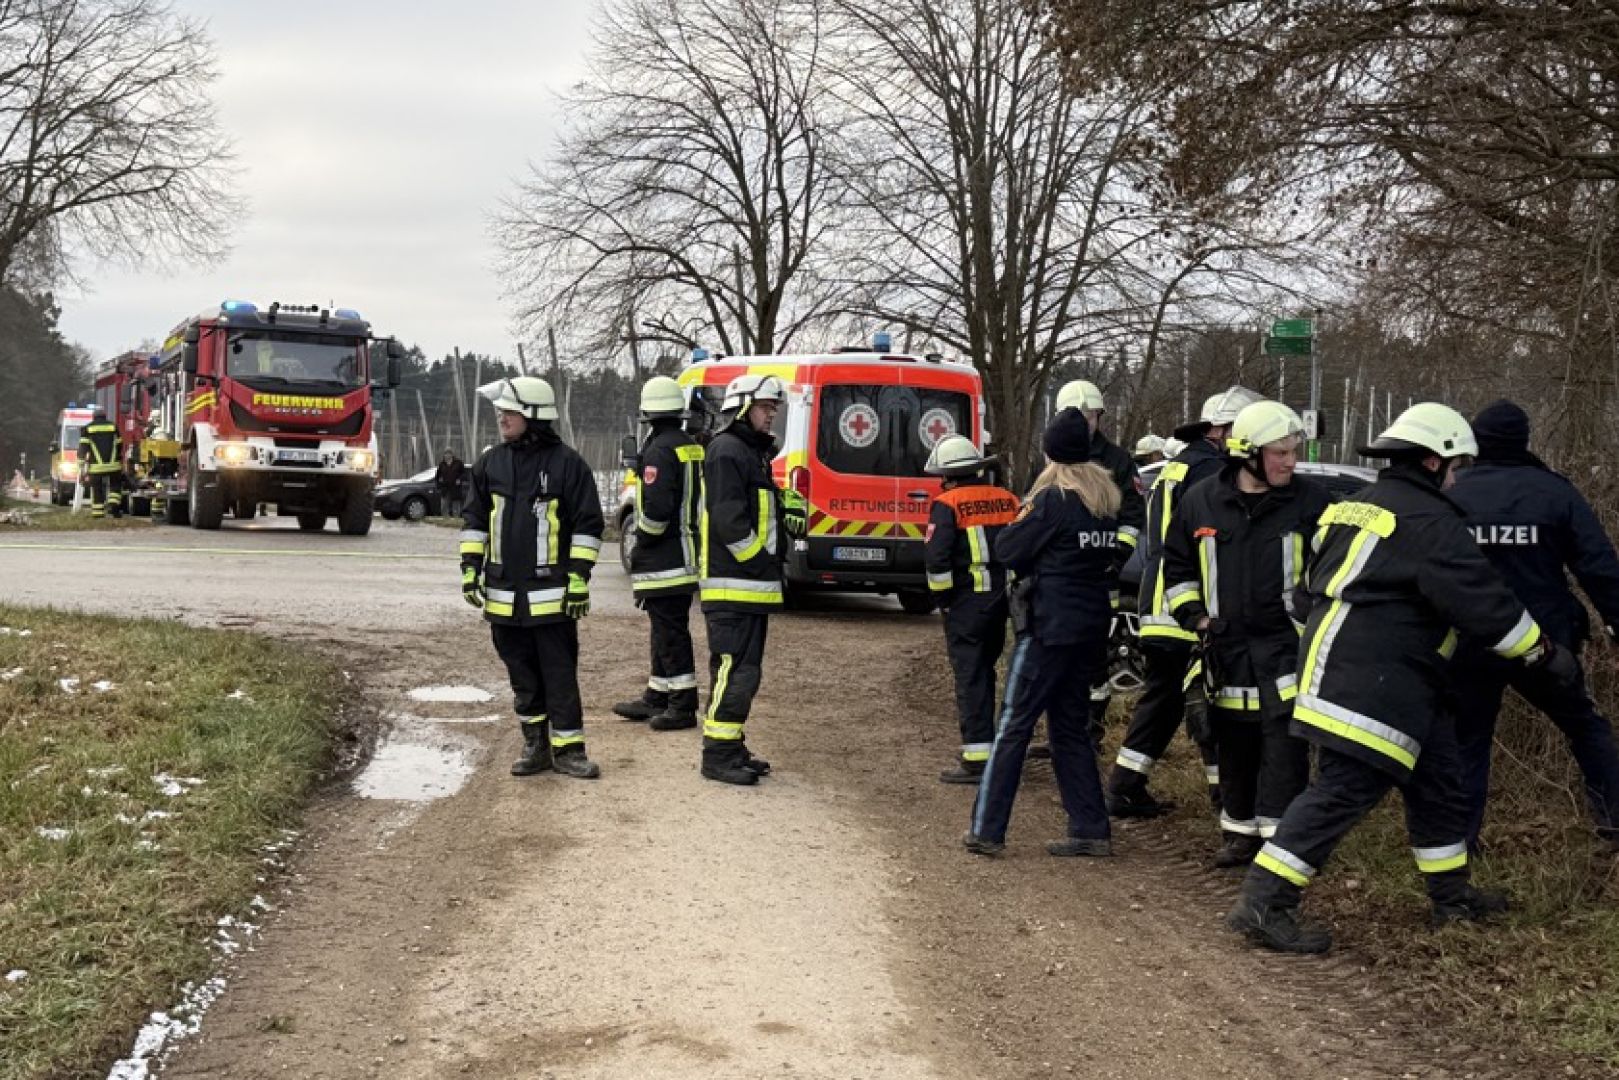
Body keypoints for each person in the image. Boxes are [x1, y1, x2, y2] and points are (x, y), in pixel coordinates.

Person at [1227, 403, 1581, 954]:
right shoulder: (1429, 522)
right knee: (1343, 792)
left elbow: (1307, 591)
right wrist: (1541, 652)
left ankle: (1451, 896)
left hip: (1374, 674)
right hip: (1374, 683)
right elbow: (1483, 602)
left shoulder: (1355, 507)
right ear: (1432, 462)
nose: (1459, 478)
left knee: (1439, 781)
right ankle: (1264, 902)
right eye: (1457, 466)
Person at [1162, 402, 1331, 867]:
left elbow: (1332, 572)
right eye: (1280, 453)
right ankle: (1239, 834)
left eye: (1293, 452)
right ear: (1248, 454)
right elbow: (1177, 565)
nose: (1291, 462)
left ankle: (1281, 845)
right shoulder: (1201, 501)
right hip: (1226, 649)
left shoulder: (1313, 503)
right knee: (1233, 742)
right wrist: (1194, 616)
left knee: (1285, 745)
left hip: (1286, 649)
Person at [1448, 400, 1619, 851]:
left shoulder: (1453, 491)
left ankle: (1458, 844)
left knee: (1468, 740)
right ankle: (1614, 822)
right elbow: (1599, 566)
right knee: (1585, 726)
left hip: (1470, 642)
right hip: (1545, 646)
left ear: (1476, 440)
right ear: (1524, 440)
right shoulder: (1555, 492)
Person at [964, 408, 1121, 856]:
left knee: (1013, 726)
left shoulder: (1052, 499)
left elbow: (1008, 548)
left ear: (1050, 454)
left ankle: (987, 830)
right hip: (1089, 630)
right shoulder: (1104, 502)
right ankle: (1090, 829)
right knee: (1070, 730)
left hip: (1048, 629)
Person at [1106, 386, 1262, 818]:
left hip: (1160, 597)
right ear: (1221, 430)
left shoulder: (1176, 466)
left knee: (1169, 698)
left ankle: (1127, 785)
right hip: (1185, 602)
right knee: (1204, 696)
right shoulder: (1211, 469)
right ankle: (1224, 798)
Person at [459, 376, 605, 780]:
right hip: (503, 596)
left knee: (559, 675)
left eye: (510, 411)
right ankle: (536, 746)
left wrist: (579, 577)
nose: (502, 418)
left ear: (534, 416)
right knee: (521, 676)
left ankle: (570, 750)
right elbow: (474, 521)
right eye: (501, 411)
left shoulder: (568, 465)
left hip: (552, 597)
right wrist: (470, 568)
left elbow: (588, 526)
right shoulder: (490, 463)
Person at [697, 374, 807, 785]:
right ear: (743, 408)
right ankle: (718, 755)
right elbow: (729, 521)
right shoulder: (728, 450)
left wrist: (784, 508)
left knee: (743, 672)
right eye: (765, 407)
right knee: (735, 671)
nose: (771, 414)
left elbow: (756, 514)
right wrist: (761, 563)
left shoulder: (751, 453)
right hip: (735, 585)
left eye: (774, 408)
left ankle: (731, 745)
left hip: (750, 588)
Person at [922, 435, 1020, 784]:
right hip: (1003, 603)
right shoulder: (1007, 499)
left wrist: (943, 602)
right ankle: (995, 748)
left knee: (971, 677)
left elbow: (937, 560)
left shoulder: (947, 504)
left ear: (947, 475)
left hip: (966, 605)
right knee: (988, 672)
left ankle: (977, 758)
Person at [1053, 379, 1146, 743]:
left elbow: (1133, 515)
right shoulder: (1053, 458)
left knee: (1094, 658)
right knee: (1059, 659)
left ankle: (1090, 731)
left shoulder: (1118, 461)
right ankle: (1063, 733)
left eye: (1091, 416)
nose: (1087, 423)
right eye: (1080, 416)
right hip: (1061, 580)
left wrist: (1116, 556)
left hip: (1101, 580)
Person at [614, 376, 705, 731]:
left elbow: (656, 513)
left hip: (665, 557)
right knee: (664, 627)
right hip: (684, 551)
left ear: (648, 413)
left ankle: (681, 705)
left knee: (670, 632)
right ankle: (658, 694)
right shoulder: (689, 445)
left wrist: (640, 543)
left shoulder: (658, 451)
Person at [78, 405, 123, 519]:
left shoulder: (87, 428)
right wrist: (118, 457)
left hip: (96, 467)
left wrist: (81, 464)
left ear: (93, 417)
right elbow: (119, 444)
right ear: (105, 416)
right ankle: (114, 505)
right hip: (113, 466)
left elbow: (83, 448)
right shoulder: (113, 426)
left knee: (97, 489)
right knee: (115, 485)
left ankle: (98, 514)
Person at [435, 450, 467, 519]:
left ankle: (456, 519)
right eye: (446, 454)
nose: (447, 455)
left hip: (455, 488)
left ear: (452, 454)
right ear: (444, 455)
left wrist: (459, 479)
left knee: (456, 506)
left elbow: (464, 474)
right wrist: (439, 485)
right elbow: (437, 476)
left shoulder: (458, 463)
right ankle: (445, 519)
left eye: (449, 453)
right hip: (445, 488)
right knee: (444, 506)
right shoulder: (441, 464)